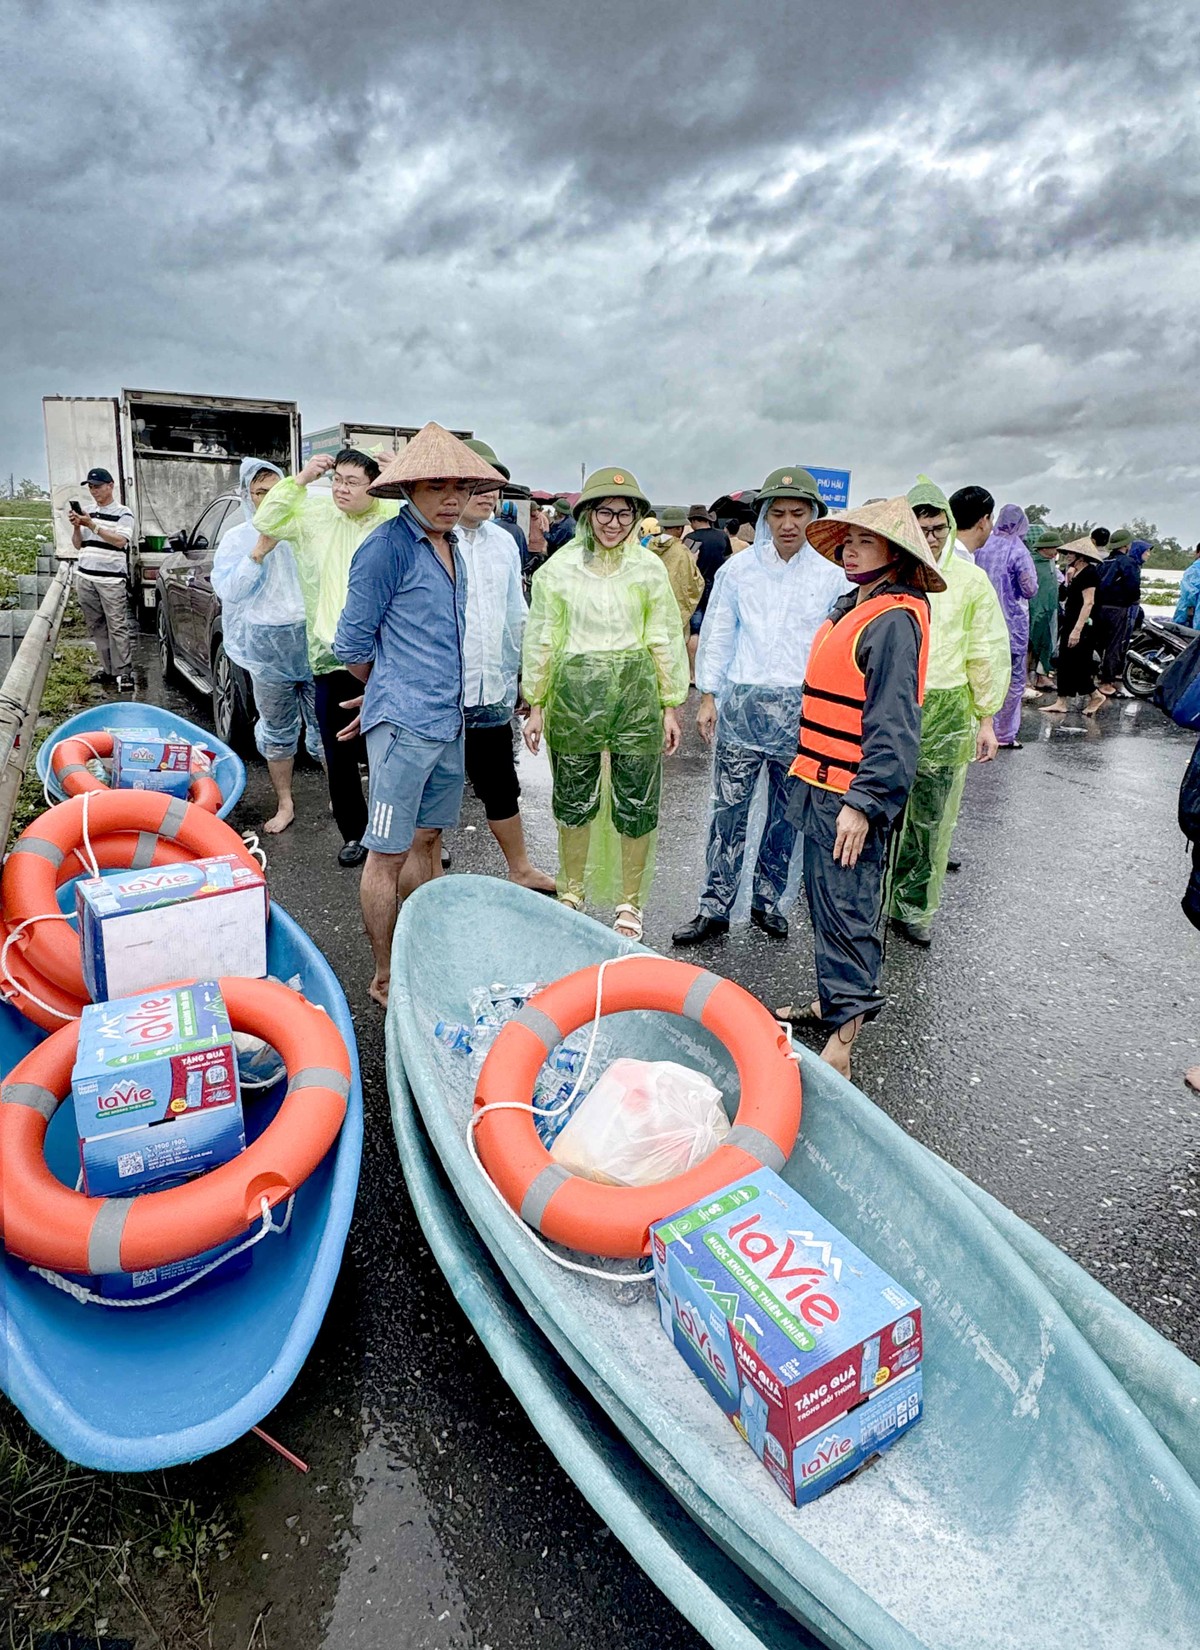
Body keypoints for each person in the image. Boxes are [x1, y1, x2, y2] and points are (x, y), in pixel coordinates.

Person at [333, 423, 507, 1005]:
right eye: (437, 486)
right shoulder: (385, 549)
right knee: (386, 851)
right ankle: (385, 975)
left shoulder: (451, 545)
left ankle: (423, 949)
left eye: (460, 486)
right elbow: (352, 644)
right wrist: (387, 690)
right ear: (409, 488)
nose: (451, 498)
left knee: (428, 838)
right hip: (405, 727)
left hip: (447, 722)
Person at [775, 497, 943, 1080]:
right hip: (820, 784)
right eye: (846, 540)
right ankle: (832, 1001)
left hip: (850, 796)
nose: (849, 549)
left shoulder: (893, 620)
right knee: (824, 905)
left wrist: (864, 805)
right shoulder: (855, 605)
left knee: (849, 910)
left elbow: (895, 728)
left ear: (894, 555)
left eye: (864, 542)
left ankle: (843, 1047)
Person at [673, 468, 844, 946]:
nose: (788, 523)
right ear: (765, 517)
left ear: (813, 516)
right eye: (779, 514)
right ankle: (714, 906)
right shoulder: (739, 572)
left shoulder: (832, 577)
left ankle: (769, 902)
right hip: (743, 705)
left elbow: (834, 649)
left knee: (786, 816)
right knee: (728, 810)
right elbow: (719, 633)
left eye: (799, 513)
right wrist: (708, 695)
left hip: (802, 711)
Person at [522, 466, 689, 940]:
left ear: (636, 517)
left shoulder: (649, 569)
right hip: (574, 696)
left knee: (636, 800)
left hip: (636, 697)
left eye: (624, 513)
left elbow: (663, 636)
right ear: (586, 515)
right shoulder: (559, 570)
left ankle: (630, 901)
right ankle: (572, 891)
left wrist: (669, 704)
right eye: (604, 512)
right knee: (574, 797)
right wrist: (536, 703)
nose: (614, 523)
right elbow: (543, 638)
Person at [253, 447, 398, 866]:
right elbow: (267, 520)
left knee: (392, 749)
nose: (341, 489)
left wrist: (397, 473)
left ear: (374, 486)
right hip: (331, 655)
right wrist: (300, 479)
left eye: (353, 482)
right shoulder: (315, 516)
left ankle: (407, 836)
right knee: (338, 750)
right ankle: (355, 833)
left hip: (386, 656)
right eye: (337, 480)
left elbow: (428, 515)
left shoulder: (391, 517)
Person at [887, 476, 1010, 947]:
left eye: (939, 527)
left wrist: (985, 717)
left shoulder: (970, 581)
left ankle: (912, 906)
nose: (931, 537)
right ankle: (869, 899)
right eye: (921, 527)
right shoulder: (889, 573)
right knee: (879, 810)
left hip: (945, 710)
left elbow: (986, 650)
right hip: (891, 707)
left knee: (930, 818)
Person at [455, 445, 555, 893]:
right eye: (476, 484)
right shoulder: (430, 537)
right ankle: (427, 878)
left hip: (491, 687)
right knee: (429, 794)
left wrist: (524, 679)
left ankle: (520, 868)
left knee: (500, 784)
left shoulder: (504, 541)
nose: (487, 494)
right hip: (440, 694)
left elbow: (518, 614)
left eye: (493, 485)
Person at [211, 459, 323, 834]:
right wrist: (258, 551)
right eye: (261, 493)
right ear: (247, 495)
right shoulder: (239, 539)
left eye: (277, 491)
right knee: (277, 729)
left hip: (313, 643)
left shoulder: (306, 529)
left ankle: (342, 799)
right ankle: (285, 802)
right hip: (268, 649)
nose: (269, 499)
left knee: (328, 728)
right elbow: (230, 591)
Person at [973, 504, 1039, 748]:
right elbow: (1030, 588)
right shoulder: (1019, 551)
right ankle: (1003, 733)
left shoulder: (984, 546)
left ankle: (977, 728)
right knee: (1012, 681)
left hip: (981, 620)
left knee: (980, 675)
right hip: (1011, 625)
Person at [69, 467, 136, 691]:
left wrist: (93, 525)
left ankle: (124, 672)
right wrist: (78, 527)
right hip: (86, 576)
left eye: (97, 486)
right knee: (97, 626)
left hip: (111, 580)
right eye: (90, 487)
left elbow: (120, 541)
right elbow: (78, 545)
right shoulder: (87, 512)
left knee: (117, 626)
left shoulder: (123, 513)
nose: (93, 491)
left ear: (110, 486)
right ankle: (108, 670)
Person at [1041, 537, 1106, 716]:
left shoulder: (1089, 574)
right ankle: (1062, 700)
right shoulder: (1074, 572)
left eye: (1071, 553)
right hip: (1070, 622)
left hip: (1083, 625)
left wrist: (1077, 630)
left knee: (1078, 663)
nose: (1067, 556)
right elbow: (1063, 596)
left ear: (1081, 556)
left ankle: (1095, 695)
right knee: (1065, 661)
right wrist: (1068, 580)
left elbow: (1089, 603)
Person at [1092, 528, 1143, 695]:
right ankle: (1107, 682)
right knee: (1114, 645)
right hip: (1118, 609)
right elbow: (1133, 588)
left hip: (1098, 608)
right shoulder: (1129, 563)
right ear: (1126, 545)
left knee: (1097, 643)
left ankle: (1092, 677)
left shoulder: (1104, 562)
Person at [685, 506, 731, 679]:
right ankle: (712, 673)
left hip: (696, 588)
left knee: (695, 631)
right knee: (715, 630)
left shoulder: (690, 539)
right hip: (718, 588)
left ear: (695, 521)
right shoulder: (722, 536)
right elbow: (727, 560)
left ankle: (694, 673)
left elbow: (686, 565)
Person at [642, 508, 704, 632]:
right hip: (673, 609)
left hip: (650, 606)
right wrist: (693, 561)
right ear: (679, 528)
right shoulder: (682, 551)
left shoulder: (648, 546)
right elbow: (693, 583)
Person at [1026, 526, 1064, 690]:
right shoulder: (1031, 561)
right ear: (1044, 548)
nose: (1056, 551)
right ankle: (1025, 677)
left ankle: (1041, 676)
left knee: (1046, 642)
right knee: (1029, 644)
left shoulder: (1050, 563)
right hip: (1033, 608)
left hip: (1050, 609)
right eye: (1054, 548)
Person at [946, 485, 994, 559]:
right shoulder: (957, 558)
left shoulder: (944, 550)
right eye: (992, 519)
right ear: (983, 522)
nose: (992, 527)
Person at [1175, 544, 1200, 626]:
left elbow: (1189, 593)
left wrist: (1189, 613)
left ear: (1198, 553)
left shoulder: (1194, 570)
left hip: (1192, 615)